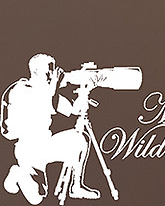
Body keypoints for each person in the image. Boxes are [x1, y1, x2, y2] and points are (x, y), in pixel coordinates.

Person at [2, 56, 99, 202]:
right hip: (28, 149)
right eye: (48, 71)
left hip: (45, 143)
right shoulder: (21, 89)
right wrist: (54, 84)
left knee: (80, 139)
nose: (52, 74)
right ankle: (17, 173)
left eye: (53, 70)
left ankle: (76, 186)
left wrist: (84, 92)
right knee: (37, 198)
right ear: (35, 71)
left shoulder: (47, 92)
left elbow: (73, 110)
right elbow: (43, 102)